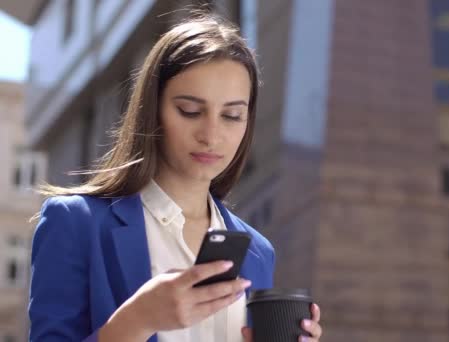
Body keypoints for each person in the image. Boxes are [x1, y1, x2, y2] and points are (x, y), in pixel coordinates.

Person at [28, 13, 323, 342]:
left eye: (232, 116)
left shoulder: (258, 251)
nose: (211, 135)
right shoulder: (75, 222)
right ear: (152, 109)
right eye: (190, 111)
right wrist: (138, 319)